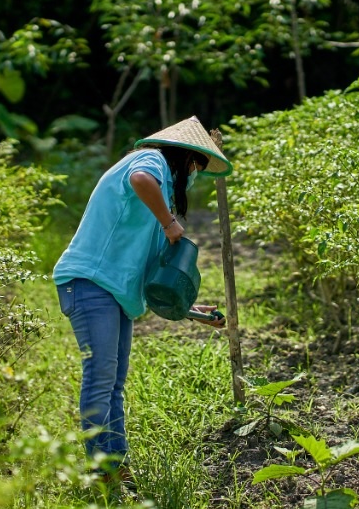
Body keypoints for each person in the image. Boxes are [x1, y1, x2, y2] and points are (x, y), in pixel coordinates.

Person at [53, 116, 230, 488]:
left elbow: (152, 274)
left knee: (114, 384)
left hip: (113, 289)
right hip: (89, 281)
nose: (195, 176)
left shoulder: (162, 188)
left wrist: (190, 310)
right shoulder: (152, 161)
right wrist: (169, 223)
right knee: (101, 380)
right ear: (186, 156)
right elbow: (139, 181)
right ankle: (102, 471)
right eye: (196, 167)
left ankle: (116, 468)